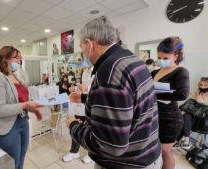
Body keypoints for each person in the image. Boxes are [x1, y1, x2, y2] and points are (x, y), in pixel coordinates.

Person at [67, 16, 162, 169]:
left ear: (89, 44)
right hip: (148, 153)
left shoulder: (109, 70)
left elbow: (109, 145)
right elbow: (127, 102)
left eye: (81, 46)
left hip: (126, 164)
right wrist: (86, 98)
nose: (82, 52)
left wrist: (73, 126)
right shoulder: (132, 59)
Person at [0, 46, 43, 169]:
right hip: (7, 126)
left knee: (21, 158)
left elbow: (19, 100)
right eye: (16, 58)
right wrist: (26, 105)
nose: (19, 61)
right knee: (11, 163)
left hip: (23, 122)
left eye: (20, 58)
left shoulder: (15, 77)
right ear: (5, 58)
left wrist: (32, 108)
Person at [151, 37, 189, 169]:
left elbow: (183, 94)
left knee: (165, 151)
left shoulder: (181, 72)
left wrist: (156, 93)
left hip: (170, 117)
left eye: (165, 58)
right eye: (159, 57)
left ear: (176, 56)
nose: (161, 61)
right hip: (154, 115)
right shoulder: (155, 72)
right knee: (154, 149)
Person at [63, 66, 94, 164]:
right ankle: (74, 151)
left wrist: (88, 88)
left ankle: (91, 153)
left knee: (91, 129)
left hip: (92, 103)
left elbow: (102, 88)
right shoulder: (84, 71)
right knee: (76, 125)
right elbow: (82, 86)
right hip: (81, 104)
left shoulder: (99, 69)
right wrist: (75, 88)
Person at [175, 77, 208, 149]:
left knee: (184, 118)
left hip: (202, 120)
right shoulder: (195, 93)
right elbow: (187, 106)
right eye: (201, 85)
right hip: (191, 119)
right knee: (185, 116)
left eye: (205, 85)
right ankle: (186, 139)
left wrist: (200, 102)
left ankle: (176, 141)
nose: (202, 87)